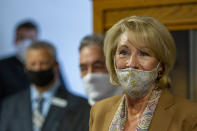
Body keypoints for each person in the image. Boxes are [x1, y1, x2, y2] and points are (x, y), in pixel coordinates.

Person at [89, 16, 197, 131]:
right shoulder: (99, 111)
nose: (132, 63)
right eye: (124, 52)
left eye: (144, 54)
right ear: (113, 59)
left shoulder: (189, 115)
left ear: (161, 65)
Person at [0, 41, 89, 131]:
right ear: (25, 68)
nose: (38, 68)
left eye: (43, 63)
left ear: (56, 66)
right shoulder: (10, 105)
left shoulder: (80, 105)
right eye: (33, 64)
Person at [0, 20, 65, 103]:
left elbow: (62, 91)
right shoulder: (3, 66)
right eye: (22, 38)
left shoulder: (50, 63)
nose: (26, 43)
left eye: (30, 39)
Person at [79, 34, 123, 106]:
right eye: (84, 69)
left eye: (97, 66)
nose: (90, 76)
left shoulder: (138, 109)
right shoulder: (77, 113)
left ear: (115, 65)